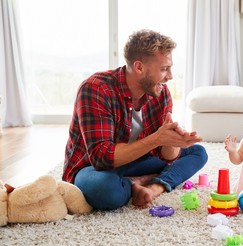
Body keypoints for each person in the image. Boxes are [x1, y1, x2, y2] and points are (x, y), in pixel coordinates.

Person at [63, 29, 208, 210]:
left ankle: (154, 187)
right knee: (108, 191)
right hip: (93, 168)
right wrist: (157, 139)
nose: (170, 76)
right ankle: (138, 182)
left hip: (137, 161)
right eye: (164, 69)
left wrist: (172, 139)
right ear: (139, 67)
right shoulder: (96, 89)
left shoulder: (159, 91)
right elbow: (101, 158)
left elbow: (167, 157)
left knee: (198, 152)